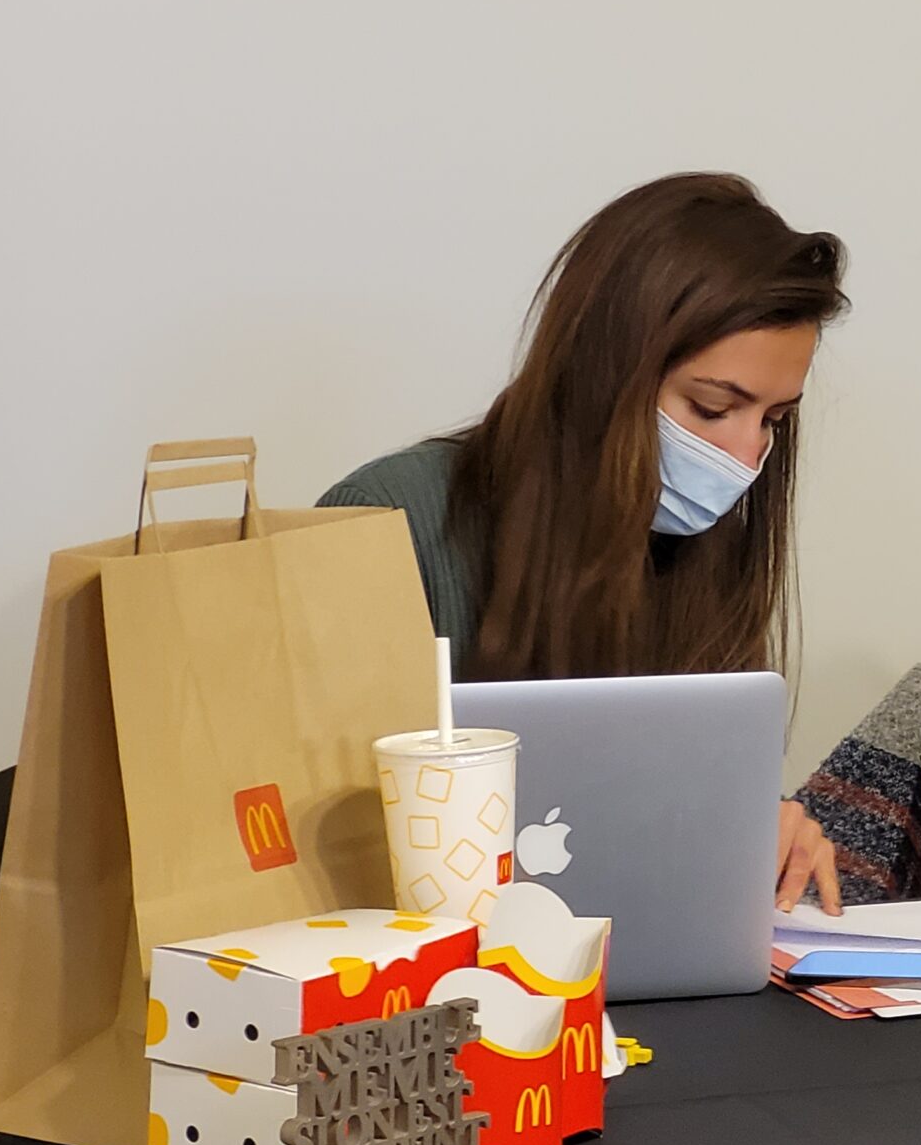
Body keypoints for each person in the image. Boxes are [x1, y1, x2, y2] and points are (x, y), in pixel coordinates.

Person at [321, 172, 850, 913]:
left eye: (773, 420)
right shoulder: (385, 522)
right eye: (711, 407)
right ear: (604, 371)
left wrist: (754, 833)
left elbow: (666, 812)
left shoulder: (704, 542)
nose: (744, 457)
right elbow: (328, 849)